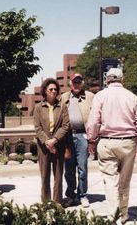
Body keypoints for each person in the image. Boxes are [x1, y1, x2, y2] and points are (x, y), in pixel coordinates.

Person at [86, 68, 137, 224]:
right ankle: (124, 214)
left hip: (107, 142)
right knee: (125, 182)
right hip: (128, 142)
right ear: (122, 80)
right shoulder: (132, 96)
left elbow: (93, 121)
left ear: (107, 80)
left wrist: (91, 140)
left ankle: (114, 217)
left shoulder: (100, 96)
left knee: (110, 181)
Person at [34, 78, 70, 204]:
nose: (53, 91)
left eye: (55, 89)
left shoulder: (62, 107)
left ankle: (57, 202)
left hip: (58, 145)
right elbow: (37, 128)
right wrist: (47, 142)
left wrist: (54, 140)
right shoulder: (38, 107)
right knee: (45, 175)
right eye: (51, 89)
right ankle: (45, 202)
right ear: (45, 91)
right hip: (43, 147)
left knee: (58, 175)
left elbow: (65, 126)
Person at [60, 73, 94, 208]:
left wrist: (93, 139)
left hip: (83, 136)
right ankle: (70, 194)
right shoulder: (64, 97)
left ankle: (82, 195)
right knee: (68, 168)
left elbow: (96, 117)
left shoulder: (90, 97)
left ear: (83, 83)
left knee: (82, 167)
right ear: (70, 83)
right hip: (67, 136)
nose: (77, 84)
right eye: (74, 82)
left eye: (79, 82)